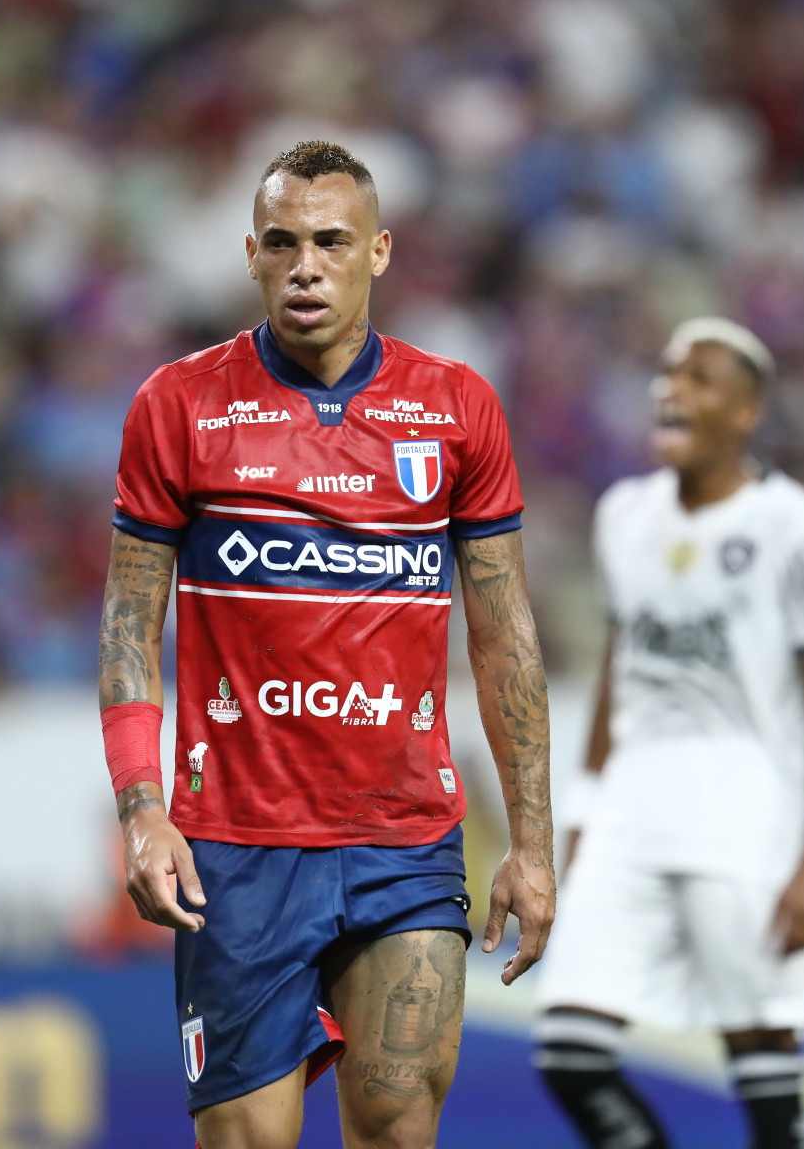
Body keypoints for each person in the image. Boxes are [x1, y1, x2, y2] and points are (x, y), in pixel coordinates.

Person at [96, 140, 555, 1149]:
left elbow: (504, 631)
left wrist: (532, 835)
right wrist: (141, 810)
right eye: (284, 242)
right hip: (238, 848)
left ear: (380, 251)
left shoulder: (455, 407)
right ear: (251, 253)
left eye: (333, 241)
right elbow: (132, 621)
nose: (307, 264)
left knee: (397, 1122)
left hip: (404, 839)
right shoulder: (179, 405)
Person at [532, 319, 804, 1149]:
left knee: (763, 1066)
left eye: (701, 378)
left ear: (747, 412)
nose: (671, 388)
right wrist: (583, 805)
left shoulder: (802, 530)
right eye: (668, 373)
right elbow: (619, 667)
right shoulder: (624, 515)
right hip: (633, 810)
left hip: (746, 813)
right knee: (570, 1051)